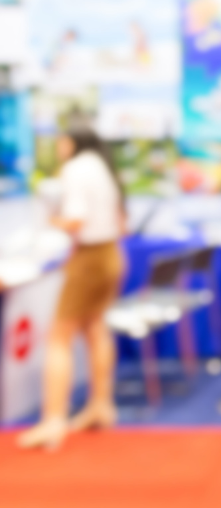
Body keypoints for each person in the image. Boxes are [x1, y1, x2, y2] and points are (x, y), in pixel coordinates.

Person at [18, 125, 125, 451]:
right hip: (110, 253)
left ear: (71, 142)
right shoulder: (101, 165)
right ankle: (101, 405)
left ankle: (53, 420)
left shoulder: (75, 169)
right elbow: (121, 221)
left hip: (90, 258)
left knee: (58, 337)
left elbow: (76, 219)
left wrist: (51, 219)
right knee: (95, 328)